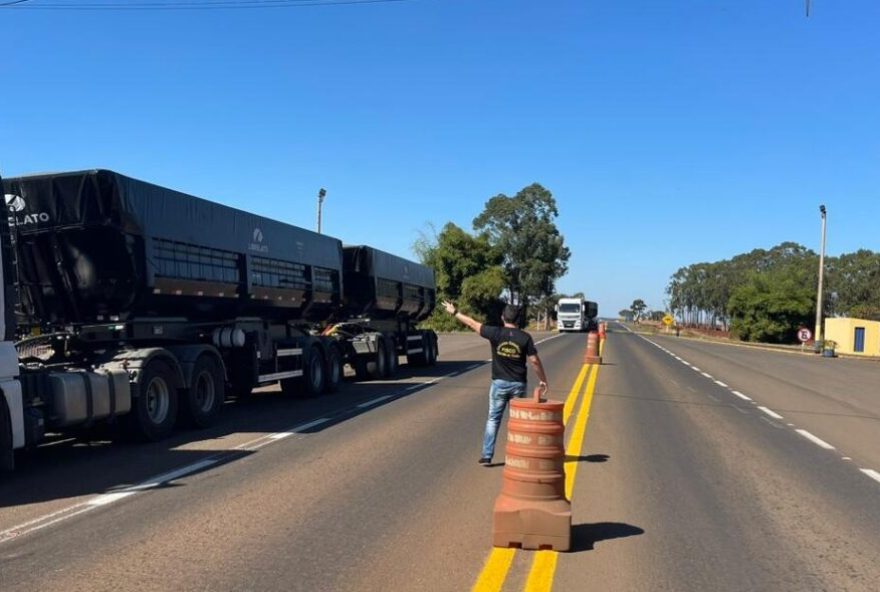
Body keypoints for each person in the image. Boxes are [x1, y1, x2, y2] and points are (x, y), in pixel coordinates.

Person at [442, 300, 549, 465]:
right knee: (517, 420)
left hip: (499, 384)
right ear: (518, 319)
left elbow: (472, 323)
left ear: (502, 317)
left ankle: (487, 455)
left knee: (493, 419)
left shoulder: (495, 333)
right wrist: (543, 380)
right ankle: (518, 455)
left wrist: (455, 312)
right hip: (518, 384)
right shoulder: (525, 338)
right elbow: (534, 361)